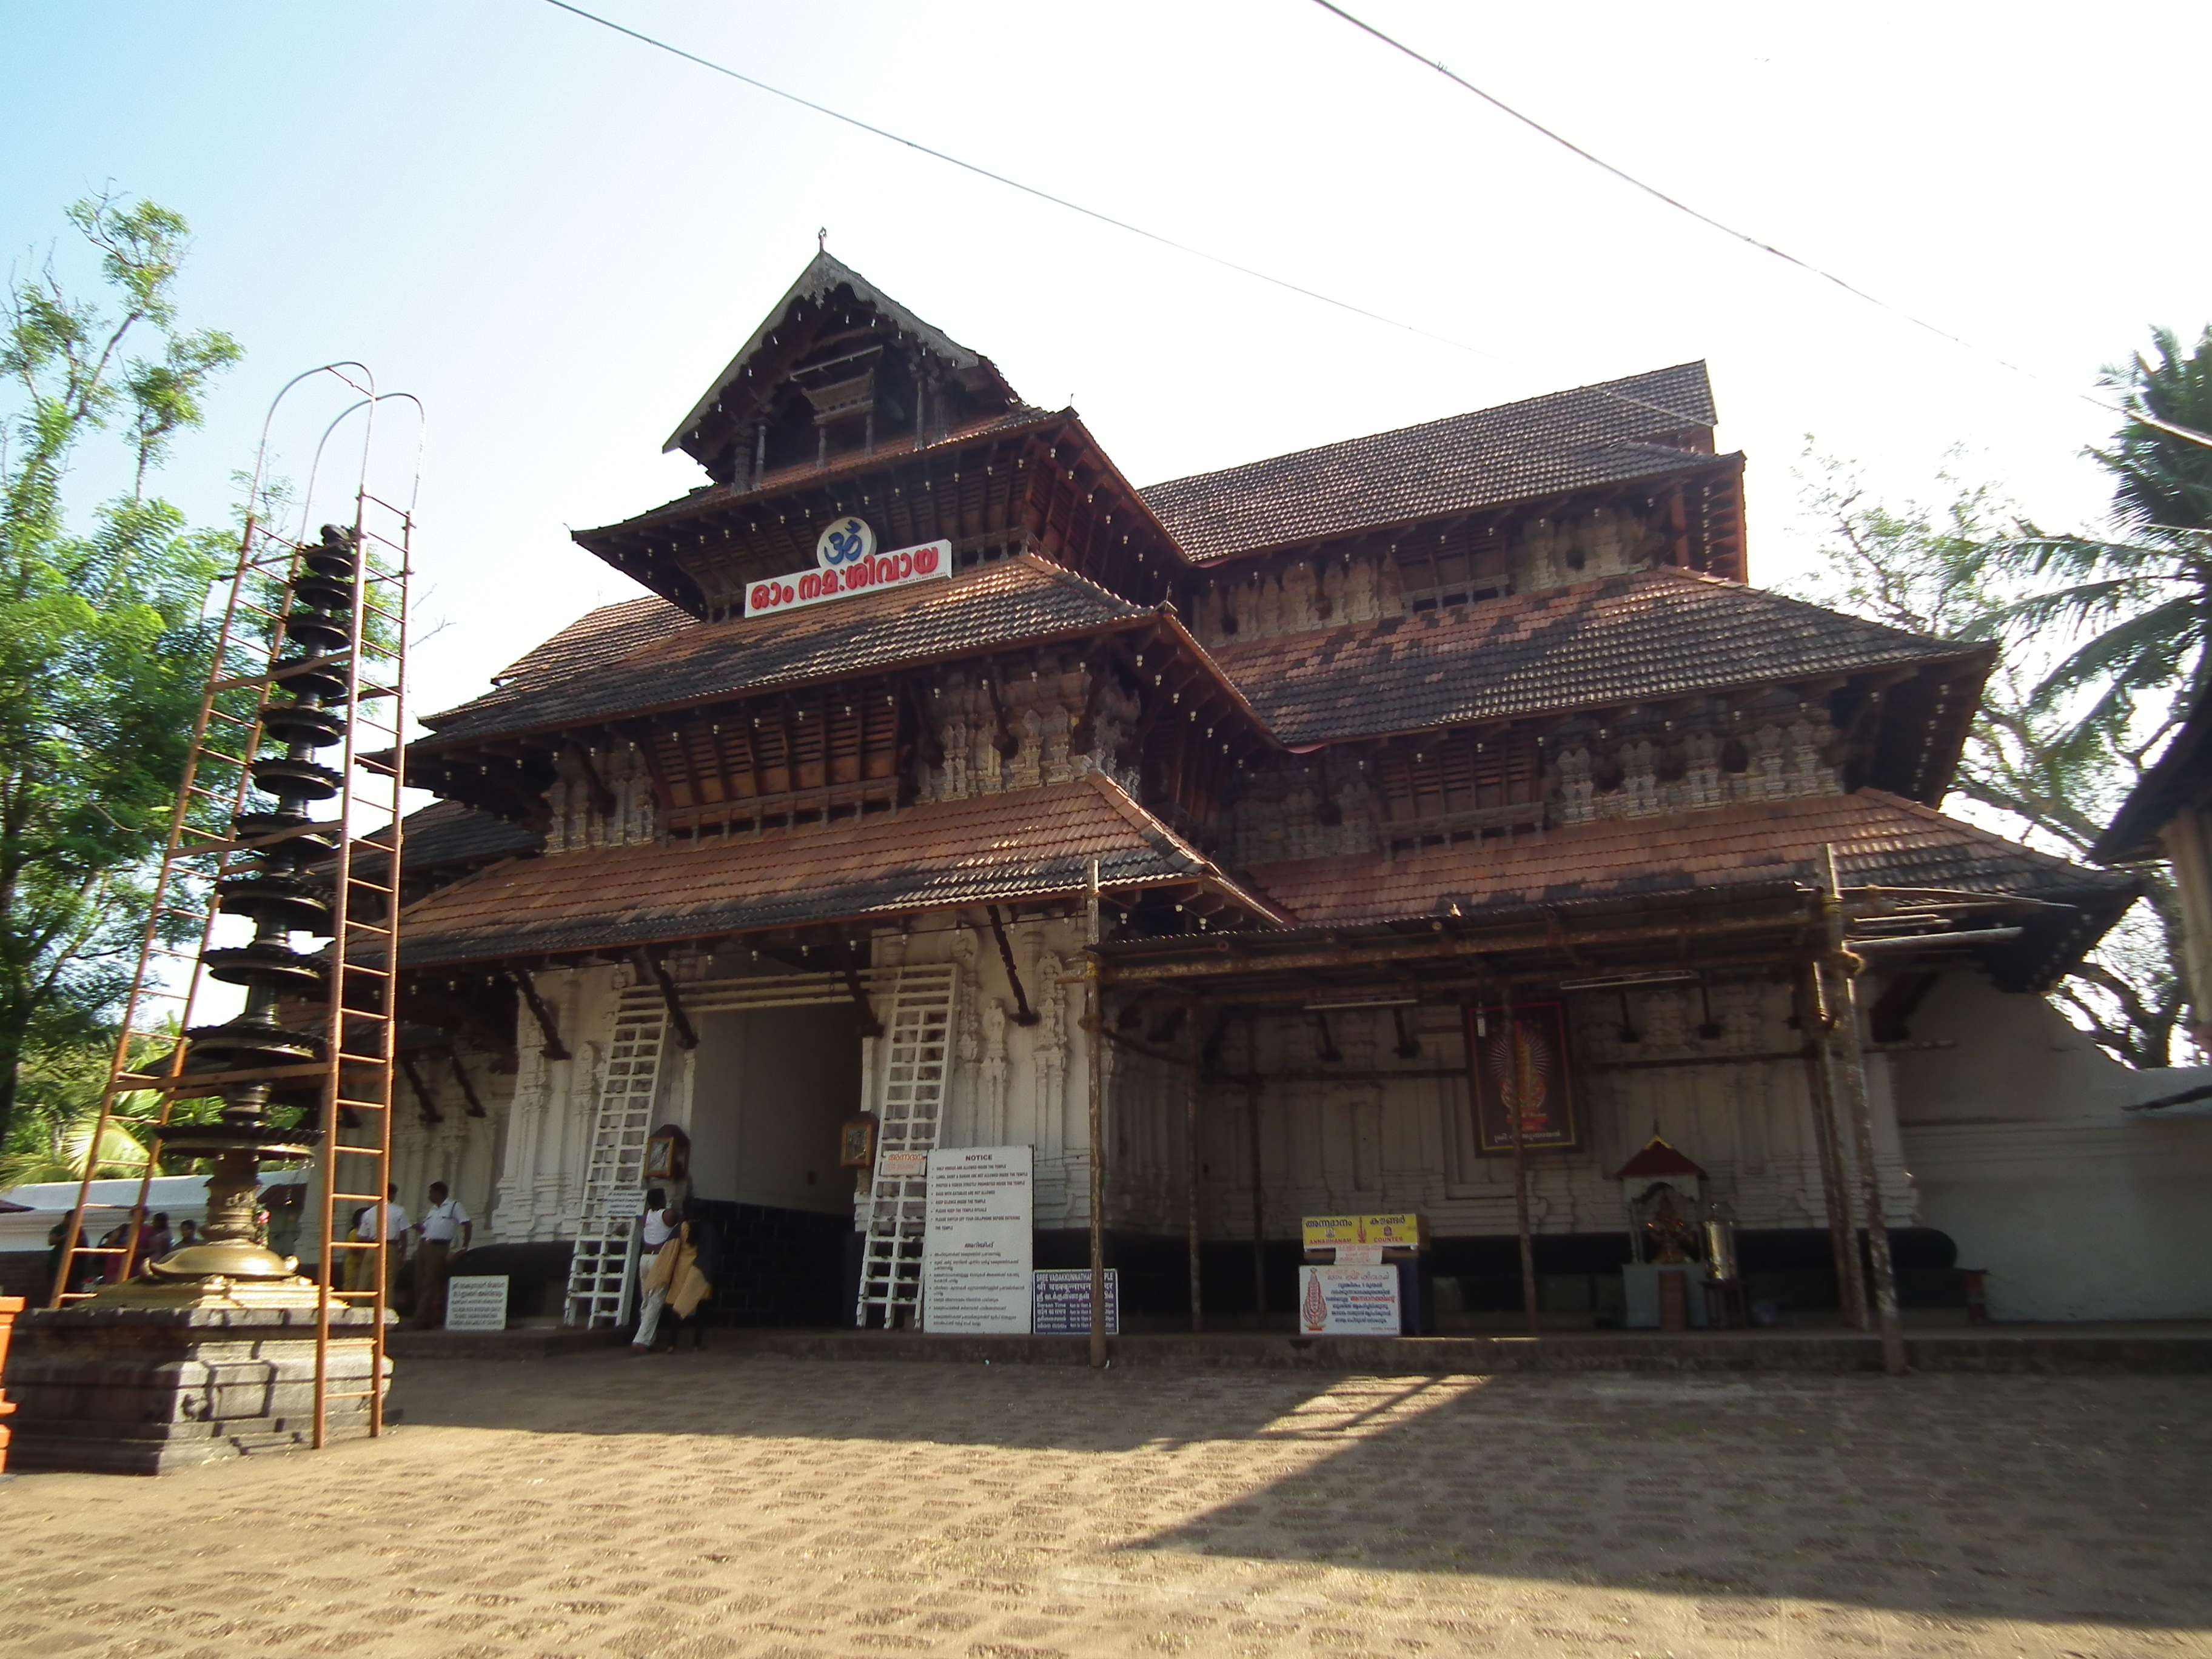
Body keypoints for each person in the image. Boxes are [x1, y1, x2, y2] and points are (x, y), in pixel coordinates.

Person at [632, 1195, 709, 1355]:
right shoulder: (673, 1217)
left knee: (654, 1302)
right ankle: (642, 1340)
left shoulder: (653, 1218)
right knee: (660, 1302)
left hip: (661, 1263)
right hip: (682, 1266)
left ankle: (661, 1341)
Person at [414, 1181, 471, 1329]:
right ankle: (427, 1318)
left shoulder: (454, 1206)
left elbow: (467, 1224)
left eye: (431, 1193)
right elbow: (427, 1229)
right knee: (420, 1282)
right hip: (424, 1245)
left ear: (439, 1193)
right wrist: (419, 1228)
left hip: (439, 1247)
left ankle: (421, 1320)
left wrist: (463, 1247)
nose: (429, 1196)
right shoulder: (433, 1210)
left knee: (430, 1283)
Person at [355, 1182, 409, 1299]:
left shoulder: (369, 1213)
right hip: (390, 1247)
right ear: (393, 1194)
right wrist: (402, 1253)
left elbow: (362, 1237)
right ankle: (386, 1312)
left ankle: (357, 1311)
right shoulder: (399, 1211)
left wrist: (363, 1254)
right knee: (388, 1283)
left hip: (372, 1247)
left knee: (365, 1282)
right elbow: (404, 1234)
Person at [136, 1212, 173, 1276]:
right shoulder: (154, 1232)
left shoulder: (165, 1235)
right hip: (151, 1256)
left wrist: (141, 1251)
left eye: (155, 1221)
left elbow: (162, 1249)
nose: (153, 1222)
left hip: (159, 1258)